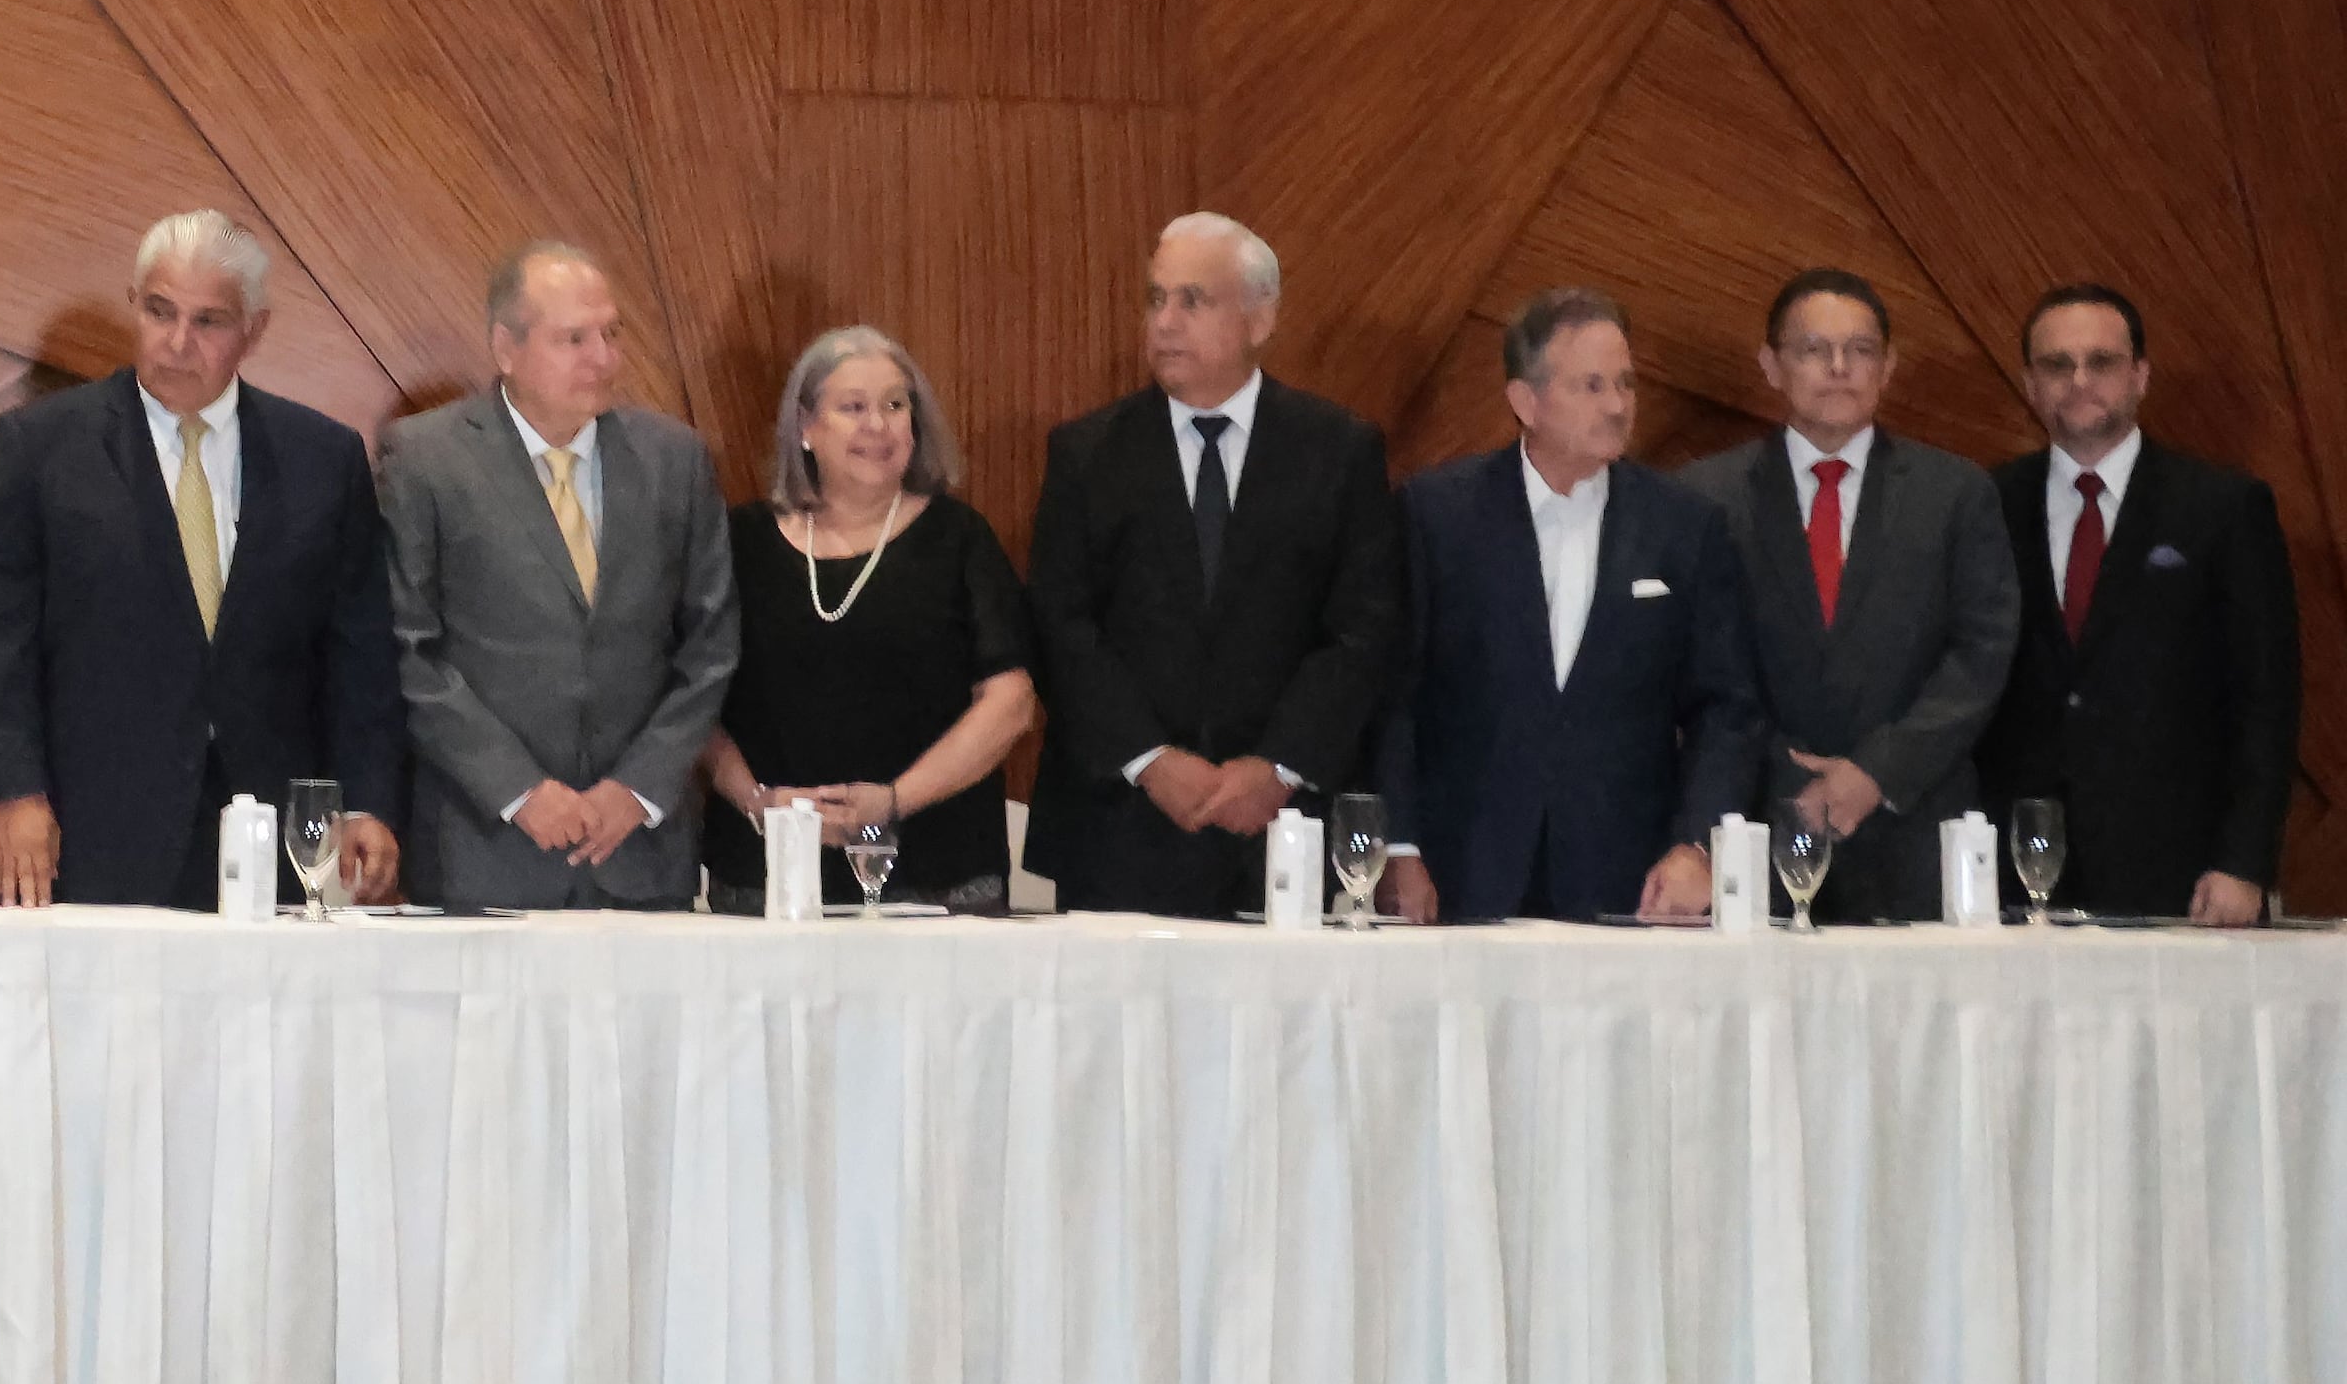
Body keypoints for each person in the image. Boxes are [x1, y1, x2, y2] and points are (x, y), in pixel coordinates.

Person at [0, 210, 403, 909]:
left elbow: (361, 654)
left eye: (209, 321)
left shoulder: (323, 458)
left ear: (254, 330)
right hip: (94, 824)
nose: (176, 341)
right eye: (159, 310)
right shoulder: (43, 447)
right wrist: (15, 791)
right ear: (133, 304)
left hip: (278, 834)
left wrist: (369, 800)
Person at [1026, 213, 1404, 917]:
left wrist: (1279, 766)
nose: (1164, 322)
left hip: (1284, 830)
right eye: (1155, 299)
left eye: (1192, 301)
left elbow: (1363, 629)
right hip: (1121, 829)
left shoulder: (1338, 451)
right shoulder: (1086, 454)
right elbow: (1060, 625)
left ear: (1261, 319)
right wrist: (1148, 758)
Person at [1372, 292, 1759, 924]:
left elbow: (1727, 708)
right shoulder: (1438, 513)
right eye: (1592, 385)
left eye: (1626, 383)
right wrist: (1401, 845)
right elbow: (1396, 697)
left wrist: (1697, 845)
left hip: (1627, 877)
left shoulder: (1683, 527)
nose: (1618, 404)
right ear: (1526, 401)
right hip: (1461, 867)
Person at [379, 241, 734, 908]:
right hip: (486, 851)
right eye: (574, 338)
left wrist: (637, 788)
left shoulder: (674, 459)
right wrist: (519, 789)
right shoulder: (426, 459)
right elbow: (408, 648)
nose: (603, 358)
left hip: (640, 853)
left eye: (611, 333)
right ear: (505, 348)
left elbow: (711, 646)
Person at [1670, 269, 2015, 922]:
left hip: (1915, 826)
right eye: (1812, 349)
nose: (1838, 368)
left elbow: (1982, 654)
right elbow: (1695, 666)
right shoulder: (1704, 495)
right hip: (1760, 822)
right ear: (1771, 364)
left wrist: (1876, 771)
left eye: (1860, 351)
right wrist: (1790, 773)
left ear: (1888, 366)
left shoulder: (1955, 492)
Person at [1983, 283, 2299, 923]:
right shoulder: (1985, 503)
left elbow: (2267, 698)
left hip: (2181, 869)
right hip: (2017, 868)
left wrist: (2245, 861)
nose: (2079, 380)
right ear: (2029, 383)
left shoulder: (2222, 507)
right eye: (2055, 364)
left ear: (2140, 375)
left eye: (2100, 362)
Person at [699, 327, 1037, 912]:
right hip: (771, 878)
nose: (877, 426)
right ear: (805, 426)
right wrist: (759, 803)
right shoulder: (739, 542)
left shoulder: (959, 540)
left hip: (938, 878)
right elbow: (693, 698)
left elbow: (1011, 703)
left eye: (895, 405)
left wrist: (893, 801)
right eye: (852, 407)